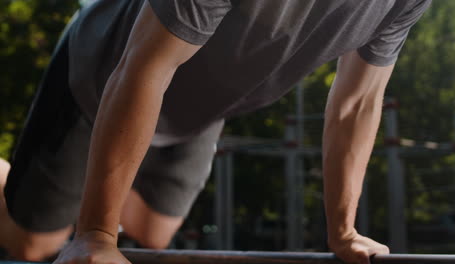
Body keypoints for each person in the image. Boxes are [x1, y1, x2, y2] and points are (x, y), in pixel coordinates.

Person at [0, 0, 432, 263]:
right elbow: (144, 67)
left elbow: (356, 102)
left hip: (201, 109)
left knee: (152, 235)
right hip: (100, 78)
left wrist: (343, 231)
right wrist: (95, 234)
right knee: (34, 247)